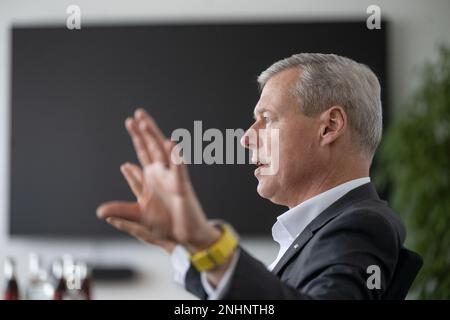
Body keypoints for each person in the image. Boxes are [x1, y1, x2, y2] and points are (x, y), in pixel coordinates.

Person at [96, 53, 406, 299]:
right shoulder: (326, 227)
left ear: (329, 126)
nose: (245, 138)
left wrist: (208, 243)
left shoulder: (362, 225)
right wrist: (177, 245)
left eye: (267, 119)